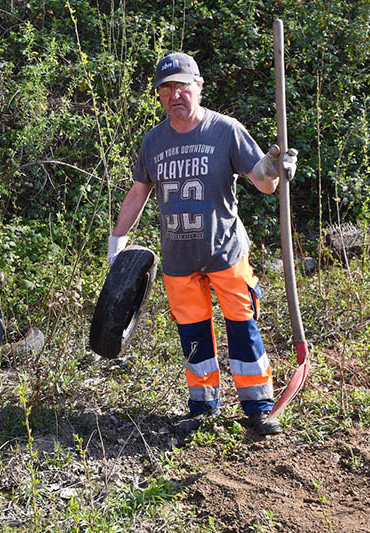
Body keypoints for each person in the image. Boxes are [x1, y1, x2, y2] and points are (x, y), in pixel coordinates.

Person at [108, 52, 297, 435]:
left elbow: (262, 180)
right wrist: (117, 241)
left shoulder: (225, 130)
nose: (175, 95)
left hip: (225, 252)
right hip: (178, 259)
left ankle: (258, 408)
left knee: (242, 327)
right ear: (160, 96)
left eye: (181, 86)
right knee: (193, 333)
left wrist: (275, 169)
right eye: (166, 89)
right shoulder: (154, 141)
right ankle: (203, 406)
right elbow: (138, 193)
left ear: (198, 86)